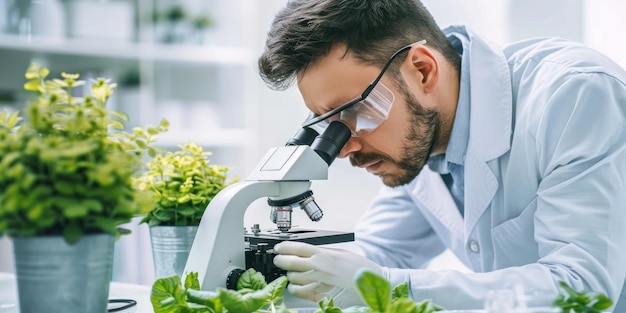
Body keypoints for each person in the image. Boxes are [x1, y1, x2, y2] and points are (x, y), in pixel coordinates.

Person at [257, 0, 626, 311]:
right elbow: (379, 253)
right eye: (328, 124)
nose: (345, 148)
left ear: (422, 70)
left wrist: (388, 286)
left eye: (355, 112)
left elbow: (583, 288)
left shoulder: (575, 95)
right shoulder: (422, 139)